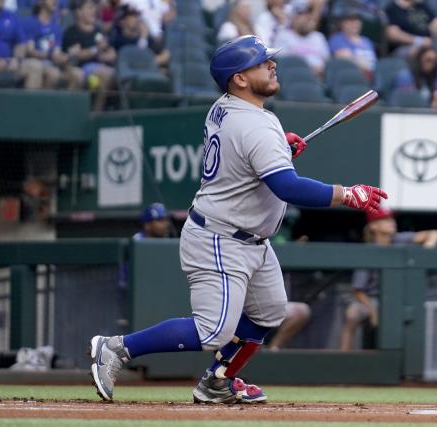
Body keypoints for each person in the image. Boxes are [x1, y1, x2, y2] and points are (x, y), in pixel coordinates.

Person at [88, 34, 387, 404]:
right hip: (221, 237)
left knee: (269, 313)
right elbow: (288, 188)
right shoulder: (256, 125)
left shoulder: (230, 108)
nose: (272, 65)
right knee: (212, 331)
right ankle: (116, 348)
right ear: (240, 79)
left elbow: (246, 152)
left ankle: (217, 381)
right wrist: (347, 194)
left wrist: (279, 146)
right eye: (262, 63)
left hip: (248, 239)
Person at [340, 206, 437, 351]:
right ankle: (344, 355)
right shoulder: (369, 251)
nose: (391, 222)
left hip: (397, 298)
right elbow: (358, 291)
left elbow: (434, 233)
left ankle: (410, 364)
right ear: (374, 226)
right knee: (353, 313)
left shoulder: (399, 239)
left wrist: (427, 249)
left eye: (391, 218)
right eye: (385, 219)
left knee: (414, 314)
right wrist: (374, 312)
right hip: (371, 299)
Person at [62, 0, 116, 111]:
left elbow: (111, 53)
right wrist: (96, 50)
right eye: (89, 8)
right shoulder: (72, 31)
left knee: (110, 73)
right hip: (80, 68)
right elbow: (77, 55)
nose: (93, 11)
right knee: (106, 73)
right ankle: (94, 113)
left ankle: (97, 112)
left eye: (94, 8)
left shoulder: (98, 30)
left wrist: (106, 56)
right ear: (79, 12)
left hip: (99, 66)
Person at [24, 0, 83, 89]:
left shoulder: (56, 28)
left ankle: (63, 102)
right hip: (33, 63)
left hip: (52, 64)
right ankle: (39, 101)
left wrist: (69, 54)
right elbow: (30, 51)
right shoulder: (31, 22)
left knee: (78, 74)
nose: (55, 1)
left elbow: (56, 54)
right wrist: (50, 55)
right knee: (52, 73)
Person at [274, 0, 330, 76]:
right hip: (295, 79)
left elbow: (328, 63)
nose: (308, 17)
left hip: (319, 81)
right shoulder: (283, 36)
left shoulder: (318, 37)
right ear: (293, 18)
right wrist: (309, 69)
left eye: (309, 13)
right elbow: (283, 65)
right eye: (303, 14)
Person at [109, 4, 170, 68]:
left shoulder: (144, 36)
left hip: (146, 74)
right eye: (132, 16)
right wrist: (143, 39)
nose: (136, 19)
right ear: (122, 21)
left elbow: (166, 54)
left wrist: (150, 62)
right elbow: (133, 61)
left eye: (137, 16)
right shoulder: (117, 40)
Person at [328, 10, 377, 79]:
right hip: (350, 77)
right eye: (351, 21)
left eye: (357, 20)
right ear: (342, 23)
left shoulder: (367, 41)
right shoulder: (337, 39)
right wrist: (362, 65)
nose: (355, 24)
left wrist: (354, 59)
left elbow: (374, 62)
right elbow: (343, 58)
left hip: (371, 77)